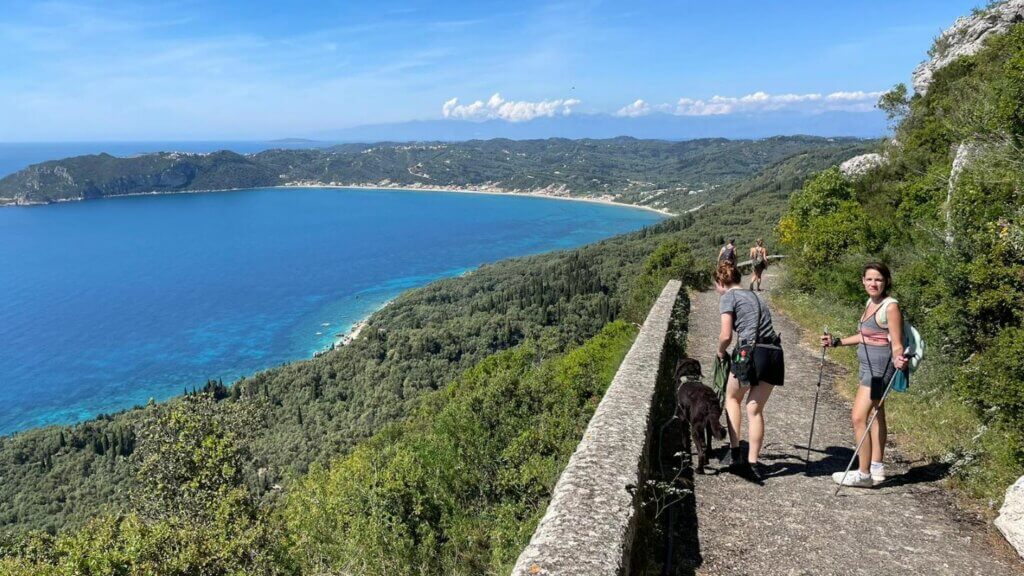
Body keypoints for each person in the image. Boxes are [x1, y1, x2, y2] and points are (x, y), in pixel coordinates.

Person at [821, 262, 907, 488]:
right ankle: (877, 466)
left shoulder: (890, 307)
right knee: (877, 413)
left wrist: (899, 358)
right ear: (863, 281)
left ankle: (863, 473)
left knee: (858, 417)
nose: (873, 283)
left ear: (886, 281)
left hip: (879, 370)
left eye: (878, 279)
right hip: (868, 366)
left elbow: (897, 344)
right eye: (869, 279)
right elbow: (864, 336)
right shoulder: (871, 302)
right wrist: (837, 342)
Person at [715, 260, 785, 482]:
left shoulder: (728, 297)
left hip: (749, 353)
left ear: (720, 282)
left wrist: (720, 352)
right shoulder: (755, 296)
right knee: (755, 410)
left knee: (732, 398)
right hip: (773, 352)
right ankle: (753, 463)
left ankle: (736, 457)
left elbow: (726, 335)